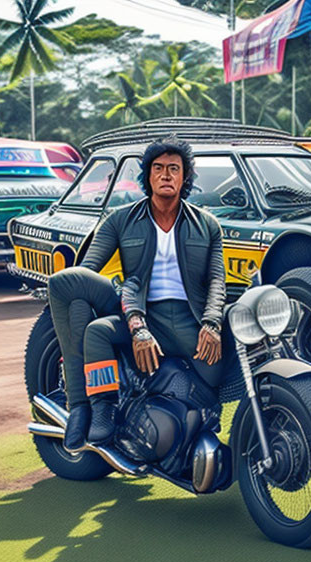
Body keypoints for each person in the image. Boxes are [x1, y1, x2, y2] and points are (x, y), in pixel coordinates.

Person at [47, 137, 226, 450]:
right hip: (138, 310)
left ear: (185, 177)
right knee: (71, 290)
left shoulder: (208, 224)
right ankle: (90, 406)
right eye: (158, 168)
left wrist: (212, 322)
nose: (166, 175)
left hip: (190, 318)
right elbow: (88, 272)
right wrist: (134, 321)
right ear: (147, 175)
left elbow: (216, 280)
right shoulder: (119, 219)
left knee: (214, 378)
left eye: (174, 168)